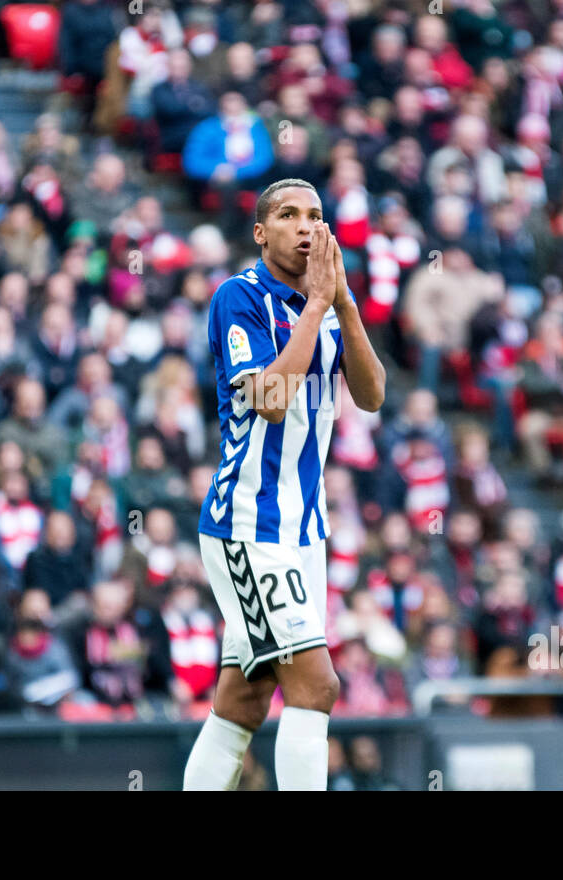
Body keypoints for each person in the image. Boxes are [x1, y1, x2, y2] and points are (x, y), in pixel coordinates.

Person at [183, 178, 385, 791]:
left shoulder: (327, 305)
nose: (305, 226)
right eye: (289, 214)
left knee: (244, 701)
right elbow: (270, 401)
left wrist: (343, 303)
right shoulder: (237, 297)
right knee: (317, 684)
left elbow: (372, 396)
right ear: (260, 231)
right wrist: (320, 305)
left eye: (315, 216)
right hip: (250, 522)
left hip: (304, 529)